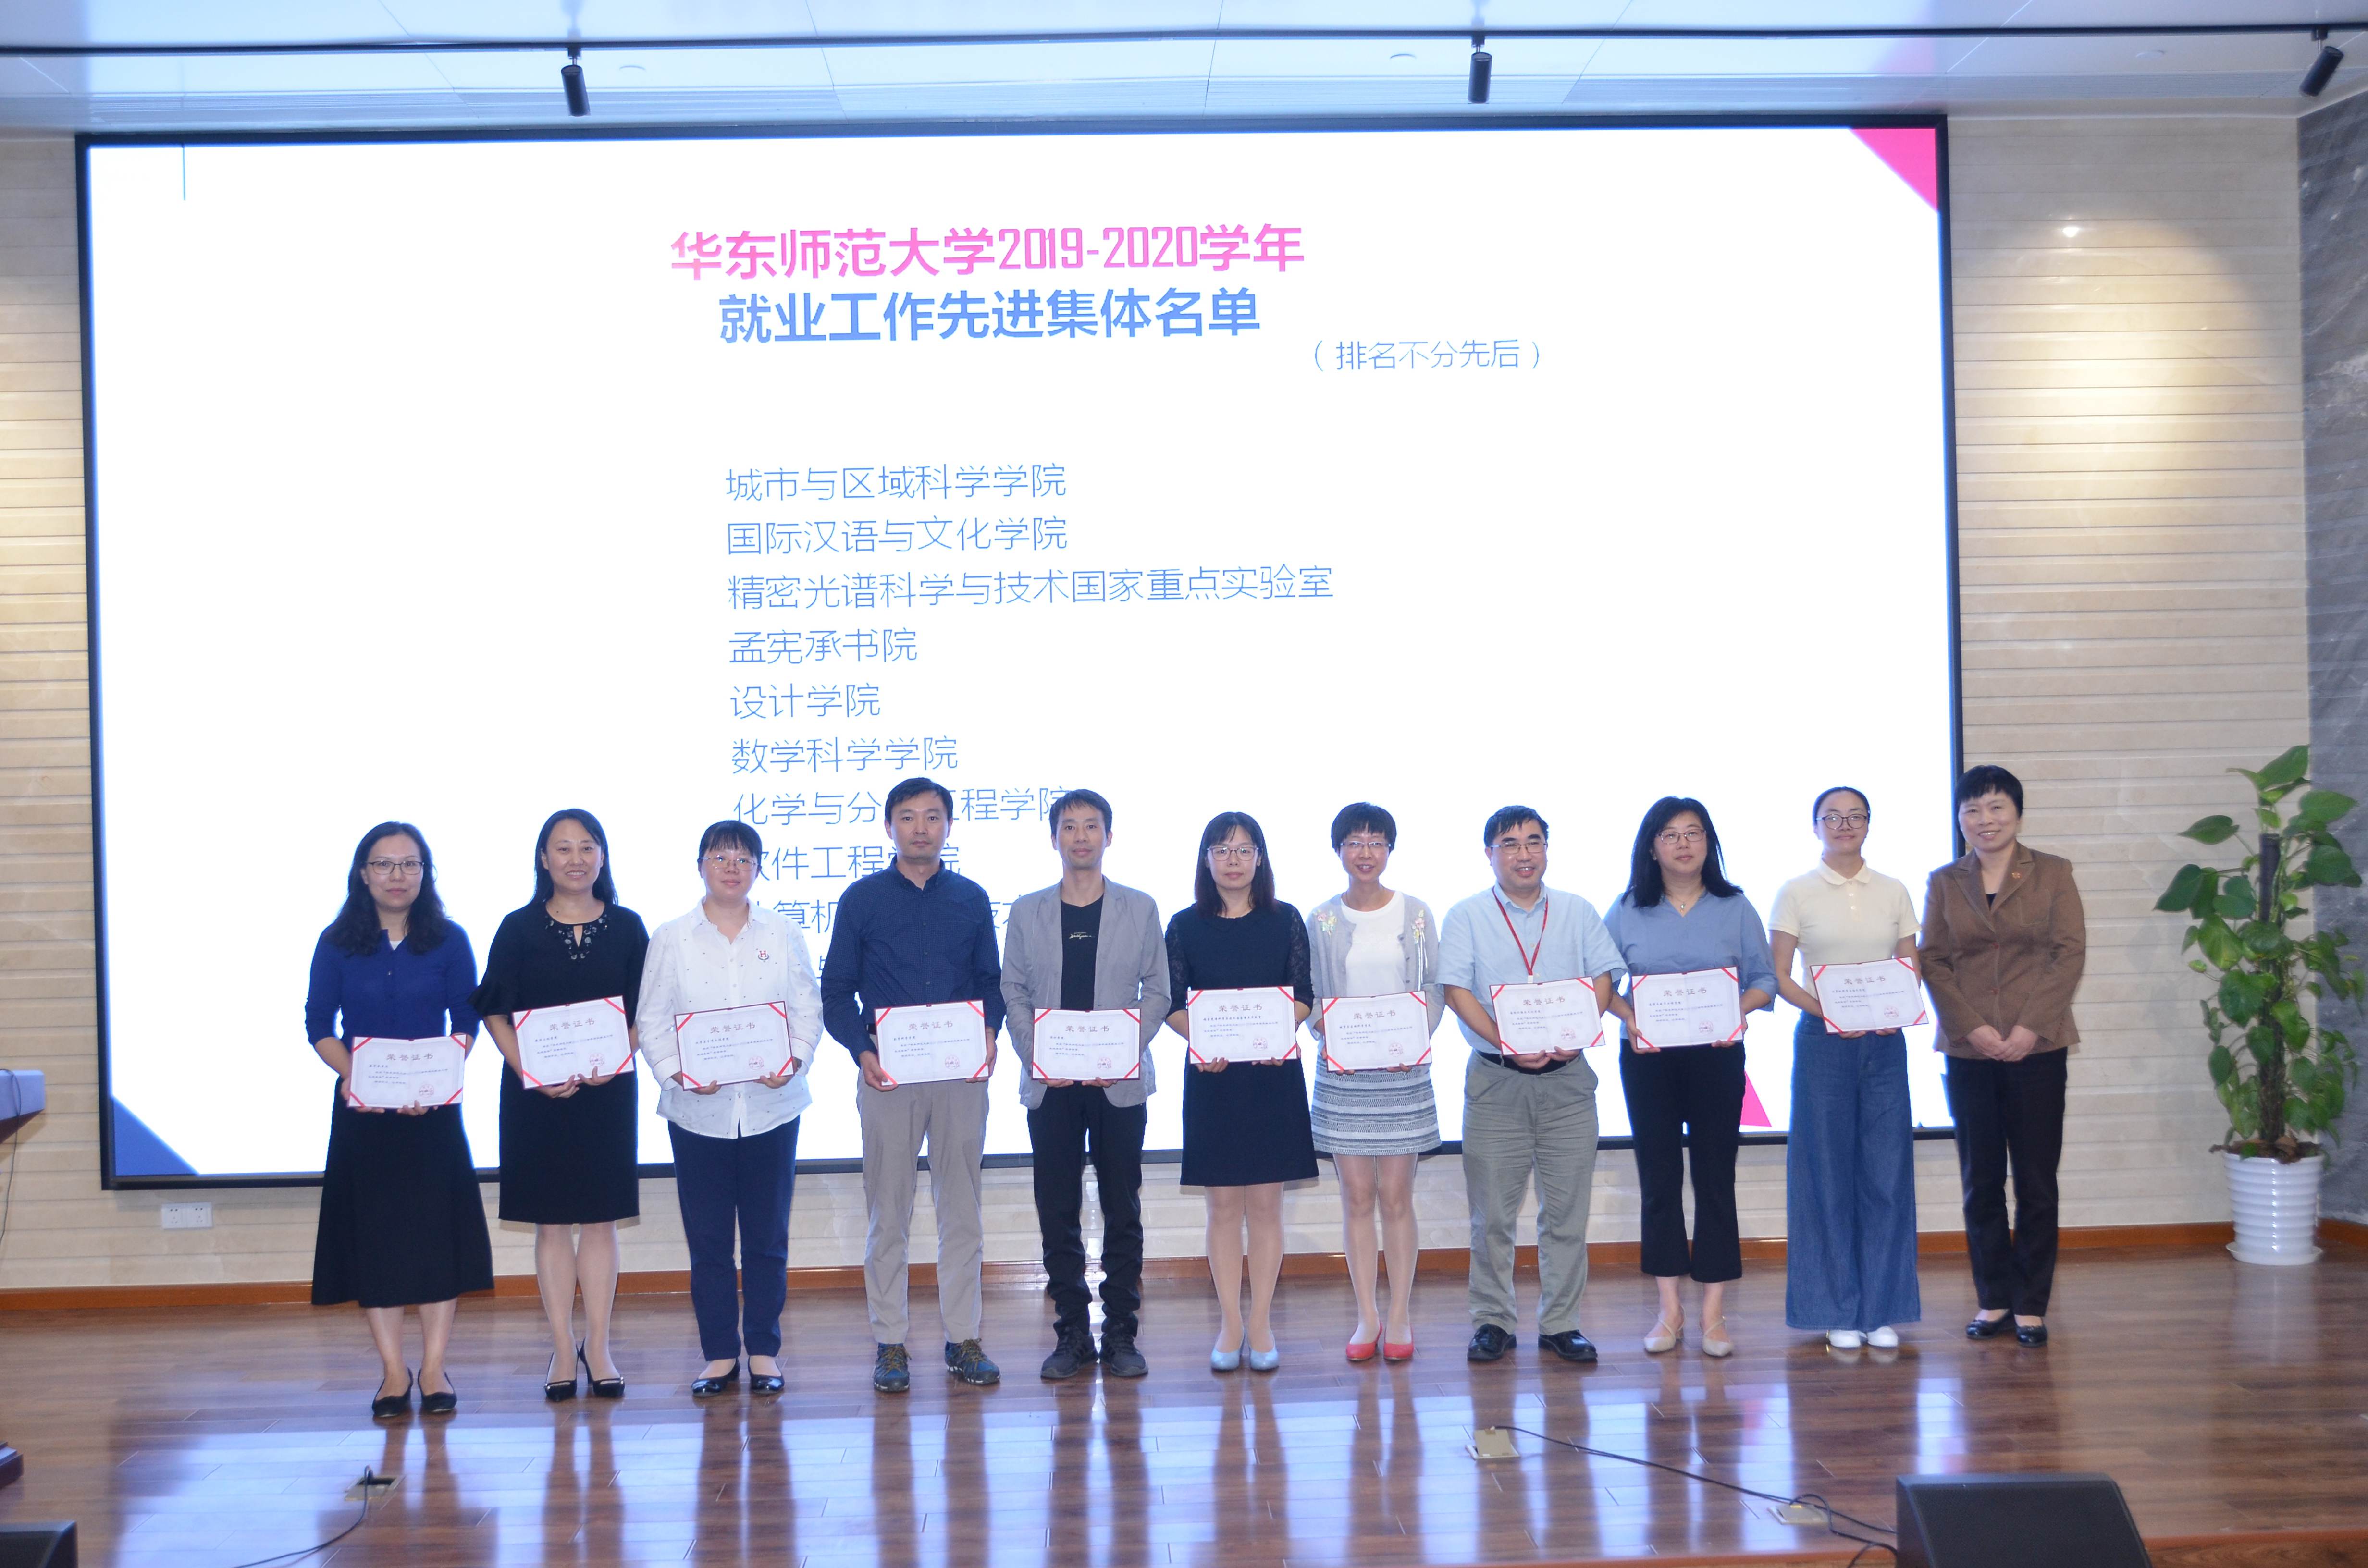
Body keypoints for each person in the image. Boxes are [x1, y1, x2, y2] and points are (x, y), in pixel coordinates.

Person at [821, 776, 1006, 1394]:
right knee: (888, 1212)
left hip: (959, 1075)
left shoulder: (971, 898)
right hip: (888, 1078)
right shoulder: (861, 899)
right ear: (889, 826)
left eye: (932, 817)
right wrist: (862, 1050)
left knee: (962, 1211)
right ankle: (890, 1344)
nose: (920, 827)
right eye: (907, 816)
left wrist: (990, 1032)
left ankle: (963, 1339)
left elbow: (990, 980)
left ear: (948, 826)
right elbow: (835, 991)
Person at [307, 821, 493, 1419]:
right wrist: (357, 1075)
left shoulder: (449, 939)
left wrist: (437, 1075)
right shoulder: (337, 942)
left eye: (410, 864)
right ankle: (392, 1370)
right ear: (363, 873)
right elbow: (318, 1023)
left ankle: (434, 1367)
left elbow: (467, 1016)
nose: (397, 876)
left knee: (435, 1240)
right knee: (377, 1243)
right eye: (384, 864)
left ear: (424, 873)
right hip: (363, 1116)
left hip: (431, 1113)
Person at [635, 820, 823, 1398]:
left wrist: (793, 1060)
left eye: (744, 858)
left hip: (771, 1107)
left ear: (758, 869)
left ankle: (763, 1349)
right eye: (720, 857)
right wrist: (678, 1073)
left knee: (767, 1238)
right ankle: (719, 1353)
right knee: (710, 1242)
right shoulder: (671, 937)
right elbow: (651, 1018)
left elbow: (807, 1007)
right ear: (700, 866)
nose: (732, 868)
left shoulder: (783, 932)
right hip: (698, 1113)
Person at [1437, 805, 1623, 1367]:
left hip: (1568, 1086)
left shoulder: (1576, 910)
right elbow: (1455, 991)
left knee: (1565, 1214)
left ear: (1546, 848)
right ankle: (1492, 1321)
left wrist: (1579, 1032)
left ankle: (1561, 1323)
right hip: (1496, 1083)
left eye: (1533, 842)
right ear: (1489, 853)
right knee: (1492, 1216)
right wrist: (1504, 1040)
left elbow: (1602, 977)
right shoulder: (1466, 915)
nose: (1524, 854)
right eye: (1510, 844)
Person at [475, 808, 649, 1402]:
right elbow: (494, 1011)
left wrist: (618, 1055)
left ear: (602, 857)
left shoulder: (628, 927)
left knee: (600, 1220)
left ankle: (597, 1347)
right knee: (550, 1222)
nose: (576, 858)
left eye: (587, 846)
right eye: (563, 848)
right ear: (543, 859)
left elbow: (646, 1009)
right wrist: (530, 1070)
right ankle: (560, 1347)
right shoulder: (517, 928)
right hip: (536, 1097)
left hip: (607, 1093)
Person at [1000, 788, 1168, 1382]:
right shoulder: (1026, 911)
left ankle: (1121, 1330)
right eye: (1068, 826)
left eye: (1091, 826)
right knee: (1057, 1205)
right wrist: (1039, 1055)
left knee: (1122, 1206)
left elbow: (1158, 990)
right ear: (1054, 839)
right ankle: (1072, 1330)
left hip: (1117, 1082)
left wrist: (1120, 1050)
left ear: (1108, 836)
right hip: (1051, 1083)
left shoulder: (1139, 908)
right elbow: (1013, 991)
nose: (1079, 836)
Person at [1918, 764, 2087, 1348]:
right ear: (1959, 818)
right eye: (1971, 809)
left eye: (1995, 808)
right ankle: (1992, 1297)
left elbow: (2068, 954)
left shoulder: (2053, 873)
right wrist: (1972, 1027)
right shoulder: (1944, 881)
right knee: (1980, 1180)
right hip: (1969, 1051)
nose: (1983, 820)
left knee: (2036, 1181)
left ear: (2016, 813)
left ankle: (2030, 1304)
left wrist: (2026, 1028)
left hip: (2036, 1047)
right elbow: (1932, 960)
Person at [1605, 796, 1779, 1360]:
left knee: (1714, 1178)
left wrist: (1736, 1013)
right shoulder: (1627, 908)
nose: (1683, 844)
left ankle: (1713, 1314)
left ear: (1709, 843)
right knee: (1658, 1180)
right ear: (1651, 848)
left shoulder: (1734, 906)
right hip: (1649, 1059)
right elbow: (1599, 982)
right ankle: (1668, 1310)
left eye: (1694, 833)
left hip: (1715, 1056)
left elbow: (1764, 981)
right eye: (1670, 835)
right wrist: (1629, 1017)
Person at [1769, 787, 1924, 1351]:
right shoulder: (1796, 892)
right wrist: (1828, 1011)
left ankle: (1879, 1310)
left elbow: (1909, 964)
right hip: (1823, 1043)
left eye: (1854, 816)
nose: (1843, 825)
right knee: (1825, 1174)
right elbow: (1779, 976)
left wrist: (1891, 1008)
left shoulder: (1892, 890)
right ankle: (1836, 1308)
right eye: (1831, 817)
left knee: (1886, 1173)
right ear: (1815, 826)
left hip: (1883, 1043)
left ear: (1868, 824)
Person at [1163, 811, 1316, 1373]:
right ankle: (1230, 1323)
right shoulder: (1183, 925)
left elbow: (1303, 994)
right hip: (1213, 1079)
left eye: (1244, 850)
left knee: (1266, 1208)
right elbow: (1171, 1004)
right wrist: (1203, 1040)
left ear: (1260, 858)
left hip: (1272, 1076)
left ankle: (1262, 1322)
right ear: (1206, 860)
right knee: (1223, 1208)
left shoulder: (1285, 919)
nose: (1233, 860)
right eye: (1222, 850)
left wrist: (1277, 1033)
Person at [1304, 802, 1443, 1364]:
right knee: (1357, 1197)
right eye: (1354, 842)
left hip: (1402, 1074)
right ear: (1338, 850)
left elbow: (1433, 989)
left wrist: (1411, 1039)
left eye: (1376, 842)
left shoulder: (1416, 913)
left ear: (1389, 850)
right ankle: (1367, 1315)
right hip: (1344, 1077)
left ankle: (1400, 1314)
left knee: (1395, 1197)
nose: (1365, 853)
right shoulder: (1321, 919)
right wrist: (1325, 1029)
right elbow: (1311, 994)